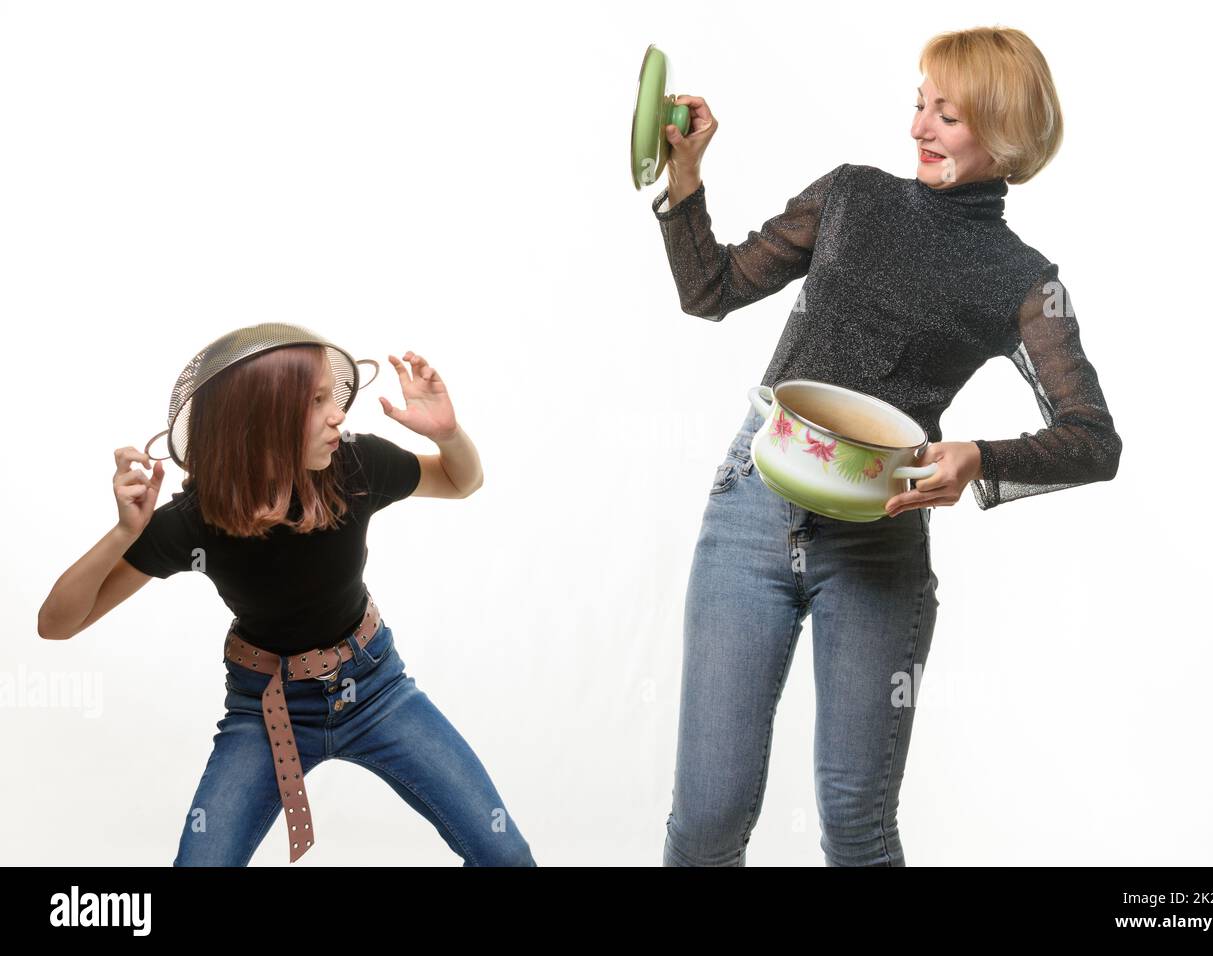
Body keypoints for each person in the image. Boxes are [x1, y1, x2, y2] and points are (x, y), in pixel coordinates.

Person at [651, 26, 1121, 865]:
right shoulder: (851, 195)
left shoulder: (1026, 280)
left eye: (948, 114)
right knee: (708, 821)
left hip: (881, 540)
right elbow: (709, 288)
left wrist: (979, 455)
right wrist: (684, 181)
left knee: (858, 827)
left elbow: (1092, 440)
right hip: (753, 513)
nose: (918, 129)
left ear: (1006, 130)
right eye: (918, 106)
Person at [36, 342, 536, 867]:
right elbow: (57, 623)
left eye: (334, 396)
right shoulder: (194, 520)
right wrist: (124, 531)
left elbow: (463, 481)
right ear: (262, 421)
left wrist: (447, 435)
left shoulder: (357, 465)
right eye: (317, 401)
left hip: (375, 688)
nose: (338, 414)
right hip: (266, 707)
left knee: (504, 852)